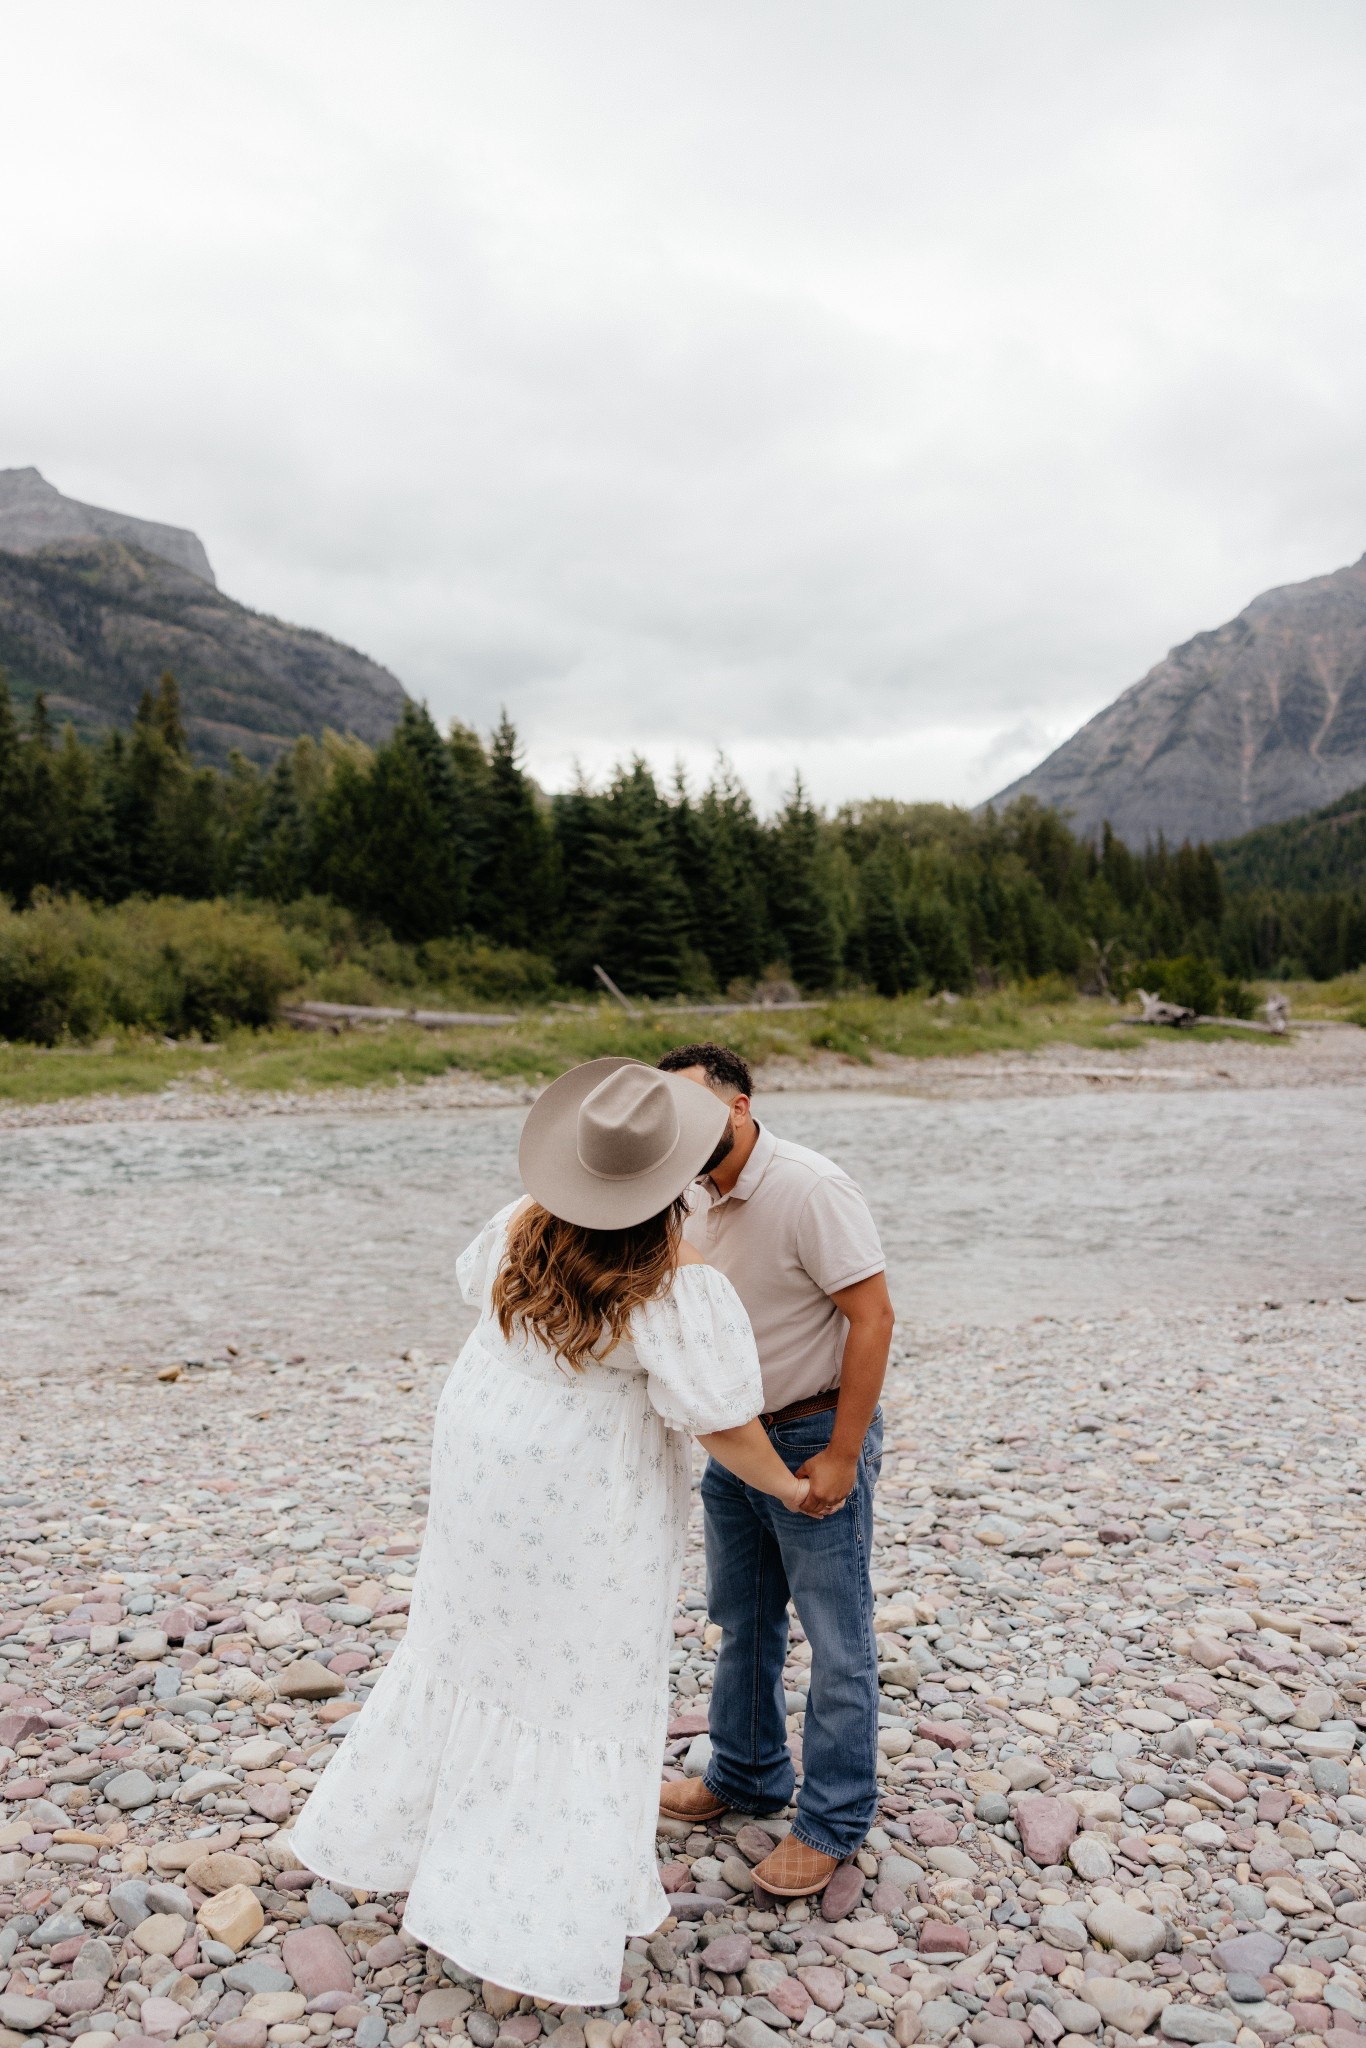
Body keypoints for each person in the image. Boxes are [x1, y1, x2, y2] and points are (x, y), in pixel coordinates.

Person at [291, 1057, 809, 2007]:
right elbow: (722, 1419)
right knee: (580, 1677)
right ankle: (528, 1911)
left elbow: (470, 1288)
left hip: (488, 1451)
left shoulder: (521, 1222)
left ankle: (435, 1849)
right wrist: (794, 1487)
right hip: (581, 1479)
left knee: (478, 1648)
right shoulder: (673, 1278)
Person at [655, 1042, 894, 1901]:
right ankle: (748, 1773)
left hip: (813, 1431)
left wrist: (841, 1451)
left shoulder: (810, 1187)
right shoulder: (684, 1196)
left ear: (742, 1106)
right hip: (737, 1442)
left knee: (838, 1641)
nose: (681, 1130)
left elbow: (873, 1318)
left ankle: (832, 1822)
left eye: (697, 1110)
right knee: (741, 1616)